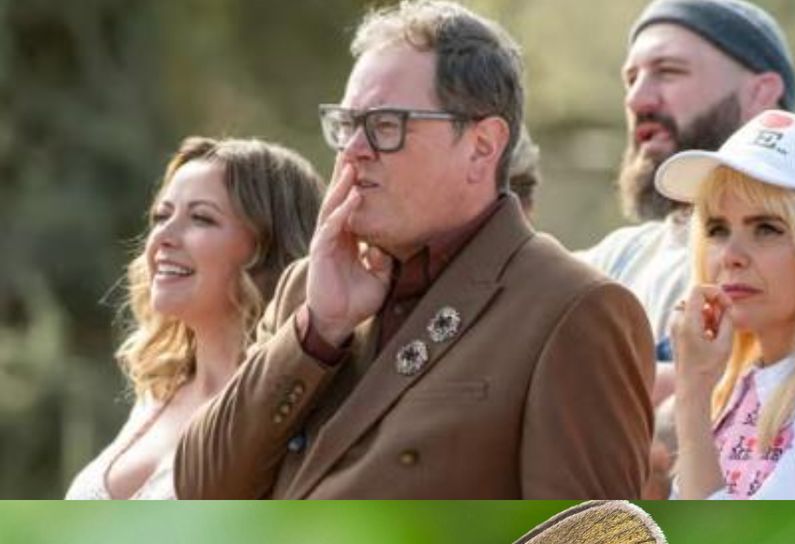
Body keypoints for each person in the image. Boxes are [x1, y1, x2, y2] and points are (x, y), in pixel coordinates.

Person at [174, 0, 654, 500]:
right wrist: (318, 331)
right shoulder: (310, 291)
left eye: (386, 126)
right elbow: (201, 490)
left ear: (482, 146)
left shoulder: (572, 310)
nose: (353, 150)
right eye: (347, 125)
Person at [65, 136, 323, 499]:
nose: (163, 237)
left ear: (268, 249)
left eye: (201, 218)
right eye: (161, 216)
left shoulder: (290, 414)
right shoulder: (158, 392)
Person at [577, 0, 795, 384]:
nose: (636, 99)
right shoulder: (621, 256)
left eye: (669, 71)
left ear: (761, 93)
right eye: (631, 79)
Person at [658, 109, 795, 499]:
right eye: (717, 229)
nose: (731, 256)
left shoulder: (705, 389)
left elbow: (723, 534)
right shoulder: (734, 388)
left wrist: (691, 393)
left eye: (767, 229)